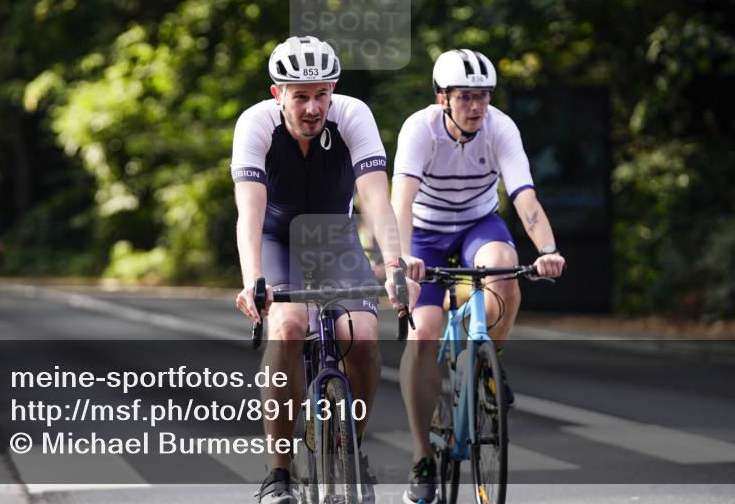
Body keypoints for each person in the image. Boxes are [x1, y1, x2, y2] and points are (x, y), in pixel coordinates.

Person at [232, 35, 419, 504]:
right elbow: (250, 213)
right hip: (277, 240)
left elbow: (376, 199)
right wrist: (253, 281)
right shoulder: (255, 124)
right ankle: (279, 472)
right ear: (278, 94)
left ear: (333, 89)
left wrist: (393, 264)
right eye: (300, 96)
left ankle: (350, 451)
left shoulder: (353, 115)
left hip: (335, 237)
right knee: (289, 327)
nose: (313, 108)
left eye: (322, 94)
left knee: (363, 336)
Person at [392, 49, 566, 504]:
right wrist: (401, 259)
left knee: (505, 273)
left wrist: (548, 250)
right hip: (425, 233)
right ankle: (421, 456)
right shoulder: (420, 129)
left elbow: (525, 198)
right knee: (423, 334)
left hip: (477, 224)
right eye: (466, 97)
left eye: (483, 96)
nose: (476, 106)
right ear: (442, 98)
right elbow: (401, 202)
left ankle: (488, 361)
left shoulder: (500, 127)